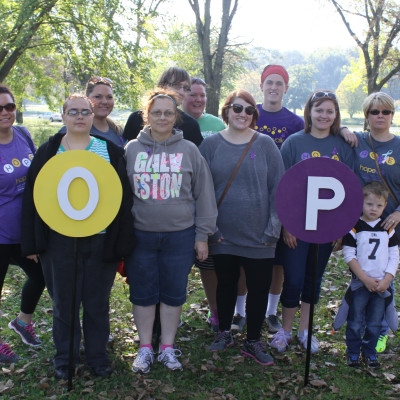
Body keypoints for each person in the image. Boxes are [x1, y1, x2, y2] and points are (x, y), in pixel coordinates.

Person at [21, 94, 135, 379]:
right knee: (64, 304)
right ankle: (66, 359)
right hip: (58, 242)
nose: (80, 117)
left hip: (101, 240)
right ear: (63, 116)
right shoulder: (49, 151)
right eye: (73, 112)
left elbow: (123, 200)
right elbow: (33, 198)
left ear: (92, 116)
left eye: (85, 111)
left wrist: (121, 242)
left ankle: (97, 358)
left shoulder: (110, 151)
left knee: (97, 303)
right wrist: (32, 243)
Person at [125, 88, 217, 374]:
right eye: (156, 112)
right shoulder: (132, 149)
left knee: (173, 293)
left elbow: (204, 195)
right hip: (140, 236)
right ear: (147, 116)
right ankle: (145, 348)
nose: (162, 117)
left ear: (176, 116)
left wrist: (202, 236)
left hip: (180, 236)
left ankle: (166, 347)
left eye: (168, 113)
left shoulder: (189, 150)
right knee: (143, 293)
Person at [200, 89, 285, 366]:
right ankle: (224, 332)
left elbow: (278, 189)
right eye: (237, 108)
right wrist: (211, 229)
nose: (243, 114)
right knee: (226, 284)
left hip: (260, 237)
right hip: (222, 234)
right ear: (227, 110)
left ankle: (253, 340)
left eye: (249, 110)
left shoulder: (266, 144)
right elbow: (202, 190)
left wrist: (272, 230)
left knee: (259, 289)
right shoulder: (210, 146)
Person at [270, 90, 354, 354]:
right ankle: (285, 330)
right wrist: (286, 225)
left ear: (336, 115)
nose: (324, 115)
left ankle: (305, 331)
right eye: (319, 110)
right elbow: (282, 187)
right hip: (296, 226)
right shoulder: (294, 142)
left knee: (313, 280)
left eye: (330, 111)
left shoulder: (343, 145)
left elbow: (349, 189)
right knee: (293, 279)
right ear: (309, 112)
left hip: (327, 227)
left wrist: (340, 228)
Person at [351, 92, 400, 353]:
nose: (380, 116)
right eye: (374, 111)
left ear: (392, 115)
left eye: (386, 111)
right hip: (361, 226)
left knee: (384, 279)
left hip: (389, 226)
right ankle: (357, 327)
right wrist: (344, 131)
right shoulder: (357, 141)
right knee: (361, 278)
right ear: (366, 115)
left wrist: (399, 213)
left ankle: (380, 331)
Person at [0, 84, 45, 363]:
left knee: (41, 275)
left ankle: (22, 322)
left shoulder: (24, 135)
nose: (5, 112)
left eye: (9, 106)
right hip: (0, 234)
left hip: (25, 231)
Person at [182, 77, 226, 332]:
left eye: (202, 95)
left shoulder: (216, 124)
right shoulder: (173, 121)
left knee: (210, 264)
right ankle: (170, 314)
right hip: (180, 203)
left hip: (210, 201)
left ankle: (216, 312)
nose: (198, 99)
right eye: (193, 94)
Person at [342, 181, 399, 368]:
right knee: (355, 320)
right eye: (369, 204)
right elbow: (348, 255)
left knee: (375, 322)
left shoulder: (388, 228)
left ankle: (370, 353)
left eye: (379, 205)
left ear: (385, 205)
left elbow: (394, 256)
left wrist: (387, 279)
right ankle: (352, 353)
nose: (374, 209)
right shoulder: (354, 227)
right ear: (361, 203)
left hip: (381, 285)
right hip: (361, 284)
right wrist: (364, 278)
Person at [123, 67, 203, 147]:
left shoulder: (190, 125)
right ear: (162, 86)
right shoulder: (136, 119)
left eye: (186, 88)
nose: (182, 92)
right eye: (176, 86)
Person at [59, 76, 124, 148]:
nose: (105, 102)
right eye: (98, 97)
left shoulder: (118, 131)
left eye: (109, 97)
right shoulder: (71, 131)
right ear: (87, 99)